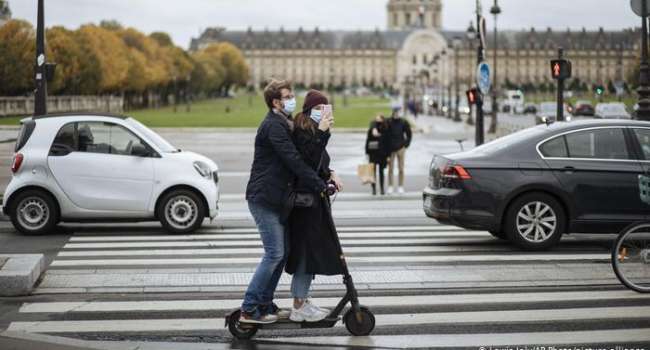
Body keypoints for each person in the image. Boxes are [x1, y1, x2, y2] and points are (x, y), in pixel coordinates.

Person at [241, 80, 327, 324]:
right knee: (274, 253)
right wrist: (318, 183)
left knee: (282, 252)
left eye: (292, 95)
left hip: (277, 198)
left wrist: (327, 173)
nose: (293, 99)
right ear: (276, 102)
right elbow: (294, 161)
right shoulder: (274, 127)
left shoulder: (284, 123)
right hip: (264, 198)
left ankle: (265, 303)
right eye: (288, 96)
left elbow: (305, 156)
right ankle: (249, 308)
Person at [285, 90, 344, 322]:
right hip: (304, 204)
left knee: (310, 252)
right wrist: (321, 134)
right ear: (309, 110)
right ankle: (298, 305)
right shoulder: (301, 131)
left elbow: (320, 162)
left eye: (325, 108)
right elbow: (306, 162)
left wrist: (331, 174)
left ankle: (302, 299)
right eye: (319, 108)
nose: (323, 112)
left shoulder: (314, 130)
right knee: (305, 253)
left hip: (314, 201)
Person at [387, 107, 412, 195]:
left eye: (398, 112)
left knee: (401, 168)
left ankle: (400, 186)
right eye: (395, 112)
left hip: (401, 148)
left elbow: (409, 134)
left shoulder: (403, 122)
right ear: (393, 113)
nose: (397, 114)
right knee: (390, 169)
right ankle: (390, 186)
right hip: (390, 149)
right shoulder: (388, 121)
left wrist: (406, 144)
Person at [365, 114, 391, 196]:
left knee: (381, 171)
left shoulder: (386, 128)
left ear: (383, 119)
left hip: (382, 154)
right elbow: (368, 140)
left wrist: (388, 155)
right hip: (373, 153)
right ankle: (373, 189)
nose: (378, 120)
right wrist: (367, 152)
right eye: (376, 119)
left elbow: (388, 143)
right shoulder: (372, 128)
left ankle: (382, 189)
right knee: (373, 172)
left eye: (379, 118)